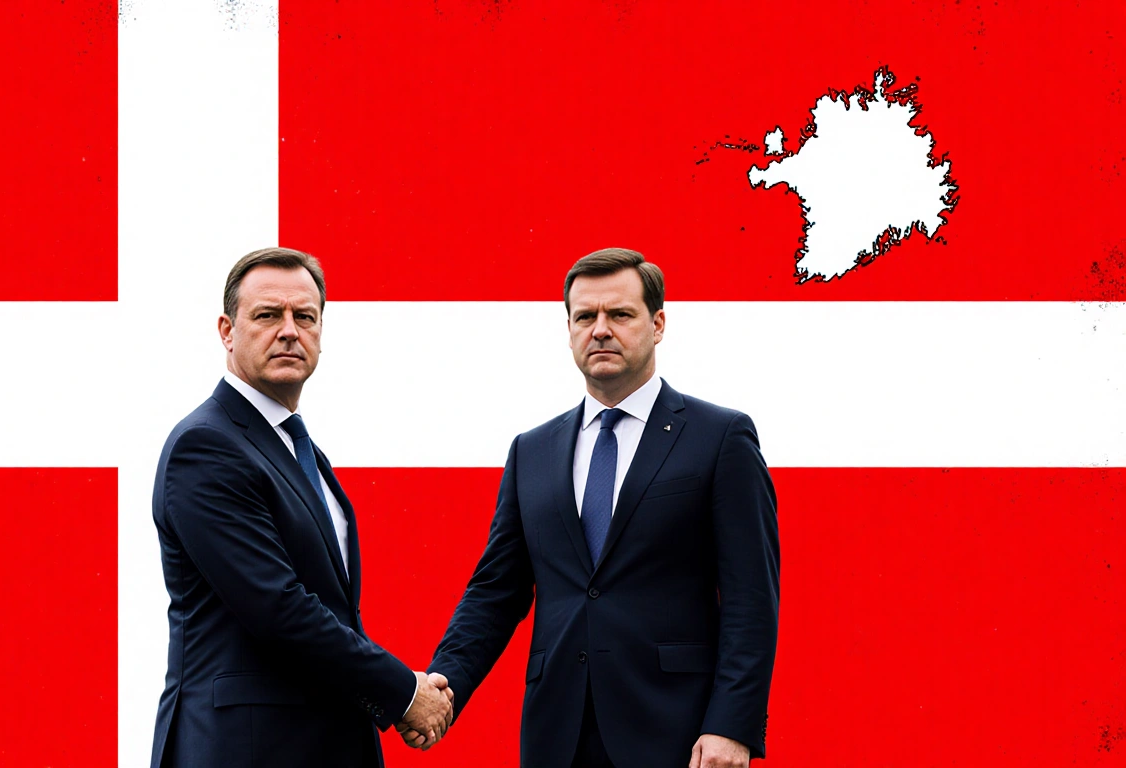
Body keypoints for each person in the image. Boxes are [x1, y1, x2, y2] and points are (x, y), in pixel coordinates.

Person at [417, 248, 780, 768]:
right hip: (558, 732)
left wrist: (732, 725)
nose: (601, 330)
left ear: (657, 324)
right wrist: (442, 686)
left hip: (679, 732)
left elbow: (752, 597)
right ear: (568, 330)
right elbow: (496, 590)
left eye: (620, 314)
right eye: (585, 317)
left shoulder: (720, 437)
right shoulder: (532, 450)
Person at [150, 247, 453, 768]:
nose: (289, 331)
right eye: (268, 315)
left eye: (305, 316)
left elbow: (330, 610)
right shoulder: (206, 446)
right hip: (245, 750)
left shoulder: (299, 450)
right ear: (226, 330)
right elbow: (278, 607)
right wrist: (403, 692)